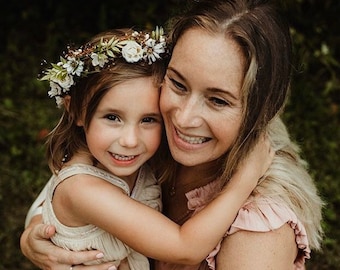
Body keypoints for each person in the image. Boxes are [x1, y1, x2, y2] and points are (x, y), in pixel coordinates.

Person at [21, 0, 324, 269]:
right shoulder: (147, 128)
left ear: (262, 111)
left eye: (218, 100)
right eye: (178, 84)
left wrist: (243, 182)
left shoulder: (257, 238)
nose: (183, 118)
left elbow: (185, 248)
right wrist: (37, 235)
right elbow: (67, 188)